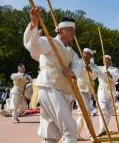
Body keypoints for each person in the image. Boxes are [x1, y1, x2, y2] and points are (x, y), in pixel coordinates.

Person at [24, 10, 82, 143]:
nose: (73, 34)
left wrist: (73, 72)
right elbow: (34, 47)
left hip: (65, 90)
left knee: (51, 131)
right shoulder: (48, 42)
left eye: (74, 30)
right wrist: (34, 23)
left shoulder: (71, 52)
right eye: (70, 30)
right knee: (69, 128)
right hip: (49, 85)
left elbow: (79, 64)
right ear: (60, 31)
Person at [76, 48, 100, 141]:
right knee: (86, 112)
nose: (85, 55)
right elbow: (75, 73)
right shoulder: (78, 63)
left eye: (87, 54)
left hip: (88, 91)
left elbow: (95, 76)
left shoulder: (94, 66)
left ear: (91, 56)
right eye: (84, 53)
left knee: (83, 114)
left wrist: (90, 70)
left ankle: (76, 134)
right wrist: (83, 68)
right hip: (79, 89)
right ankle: (91, 135)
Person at [97, 55, 119, 136]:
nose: (105, 61)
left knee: (110, 111)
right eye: (104, 60)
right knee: (103, 110)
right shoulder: (99, 68)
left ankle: (104, 128)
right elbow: (92, 73)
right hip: (101, 91)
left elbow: (116, 79)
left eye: (107, 60)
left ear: (110, 61)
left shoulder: (115, 69)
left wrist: (110, 75)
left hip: (111, 91)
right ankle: (102, 128)